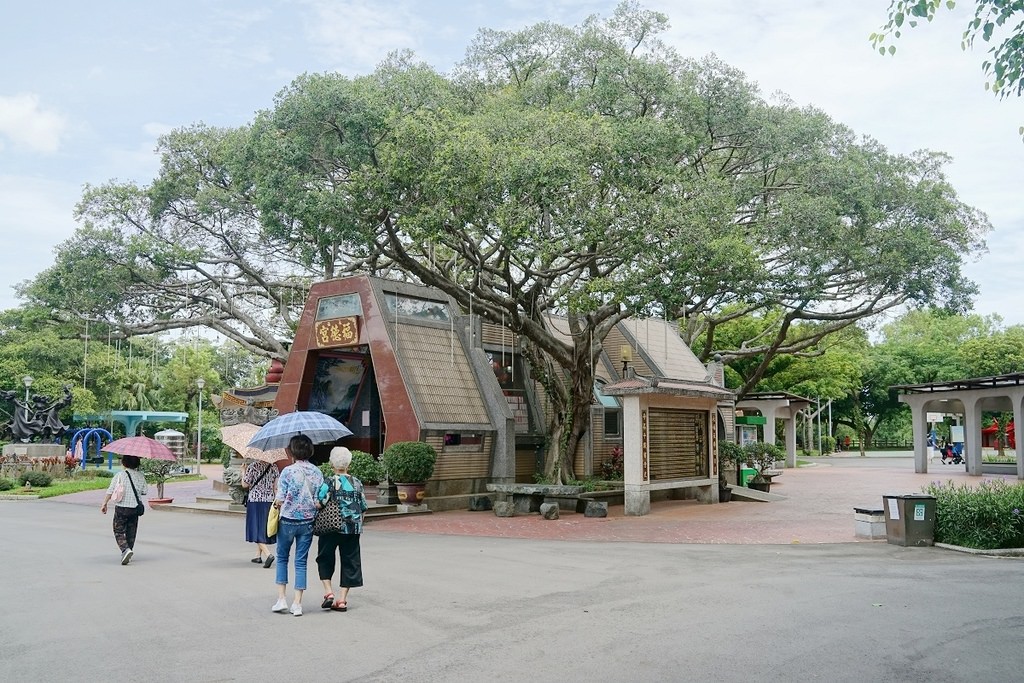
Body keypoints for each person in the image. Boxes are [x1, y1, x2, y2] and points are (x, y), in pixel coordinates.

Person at [271, 435, 323, 616]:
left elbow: (280, 498)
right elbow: (319, 499)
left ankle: (281, 599)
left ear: (292, 451)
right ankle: (298, 603)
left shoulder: (287, 471)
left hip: (287, 520)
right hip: (308, 521)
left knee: (282, 557)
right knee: (301, 562)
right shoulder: (317, 472)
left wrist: (277, 503)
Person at [315, 446, 368, 613]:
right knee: (350, 561)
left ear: (331, 463)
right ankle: (342, 600)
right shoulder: (357, 483)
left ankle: (328, 592)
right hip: (353, 528)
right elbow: (363, 506)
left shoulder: (329, 482)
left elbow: (319, 503)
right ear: (349, 464)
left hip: (331, 527)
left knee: (325, 558)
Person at [99, 454, 148, 565]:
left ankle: (125, 549)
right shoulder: (141, 476)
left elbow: (111, 490)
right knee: (131, 531)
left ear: (124, 462)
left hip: (122, 507)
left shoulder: (120, 475)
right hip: (135, 508)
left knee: (118, 530)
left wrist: (104, 503)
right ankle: (129, 550)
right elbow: (145, 491)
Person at [241, 458, 279, 568]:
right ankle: (258, 556)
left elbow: (244, 484)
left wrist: (243, 471)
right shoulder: (274, 467)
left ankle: (268, 554)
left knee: (255, 528)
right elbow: (275, 487)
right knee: (262, 528)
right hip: (269, 501)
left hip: (255, 501)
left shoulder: (253, 466)